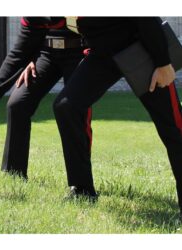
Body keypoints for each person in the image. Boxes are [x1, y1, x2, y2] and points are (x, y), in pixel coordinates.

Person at [52, 17, 182, 214]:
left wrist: (163, 63)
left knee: (173, 127)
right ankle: (82, 190)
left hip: (141, 48)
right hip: (102, 54)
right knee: (66, 107)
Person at [0, 17, 96, 197]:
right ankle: (13, 174)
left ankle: (82, 188)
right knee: (17, 104)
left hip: (81, 51)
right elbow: (20, 51)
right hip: (46, 53)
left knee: (70, 108)